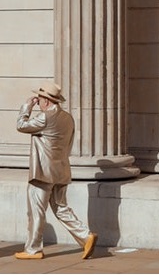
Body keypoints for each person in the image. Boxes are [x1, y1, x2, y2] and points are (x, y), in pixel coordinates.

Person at [14, 81, 98, 261]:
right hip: (61, 170)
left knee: (36, 211)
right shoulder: (68, 118)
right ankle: (85, 236)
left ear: (45, 100)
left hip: (43, 172)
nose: (39, 102)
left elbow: (21, 125)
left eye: (40, 98)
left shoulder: (45, 118)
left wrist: (26, 107)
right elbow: (68, 145)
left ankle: (33, 249)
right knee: (61, 208)